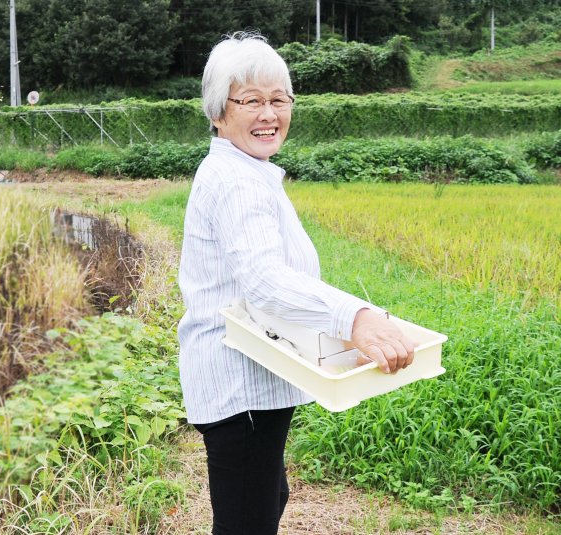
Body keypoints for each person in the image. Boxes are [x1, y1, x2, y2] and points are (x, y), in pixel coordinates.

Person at [177, 31, 417, 535]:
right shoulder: (236, 181)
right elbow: (265, 280)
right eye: (251, 101)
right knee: (249, 518)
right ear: (219, 112)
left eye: (279, 99)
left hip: (258, 375)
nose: (269, 114)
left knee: (264, 500)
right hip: (239, 385)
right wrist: (356, 317)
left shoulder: (249, 170)